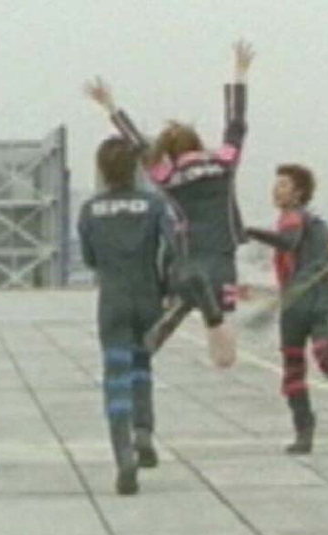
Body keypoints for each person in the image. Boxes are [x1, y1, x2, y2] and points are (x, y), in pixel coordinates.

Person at [83, 40, 255, 368]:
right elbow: (236, 124)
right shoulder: (224, 164)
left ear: (171, 152)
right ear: (198, 144)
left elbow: (137, 144)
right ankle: (216, 322)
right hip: (223, 257)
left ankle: (180, 305)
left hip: (189, 258)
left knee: (186, 289)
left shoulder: (169, 177)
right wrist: (239, 73)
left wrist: (111, 107)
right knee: (224, 316)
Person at [78, 136, 178, 495]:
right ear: (135, 168)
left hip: (113, 299)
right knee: (142, 366)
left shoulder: (90, 210)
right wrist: (167, 287)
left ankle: (123, 455)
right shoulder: (154, 204)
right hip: (147, 296)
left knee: (116, 376)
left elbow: (89, 258)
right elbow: (173, 247)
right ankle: (144, 431)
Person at [245, 165, 328, 454]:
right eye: (276, 184)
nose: (276, 190)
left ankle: (304, 430)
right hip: (315, 299)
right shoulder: (318, 224)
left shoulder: (293, 218)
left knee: (293, 369)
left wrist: (250, 231)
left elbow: (288, 242)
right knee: (318, 364)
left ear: (298, 193)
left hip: (301, 300)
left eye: (283, 185)